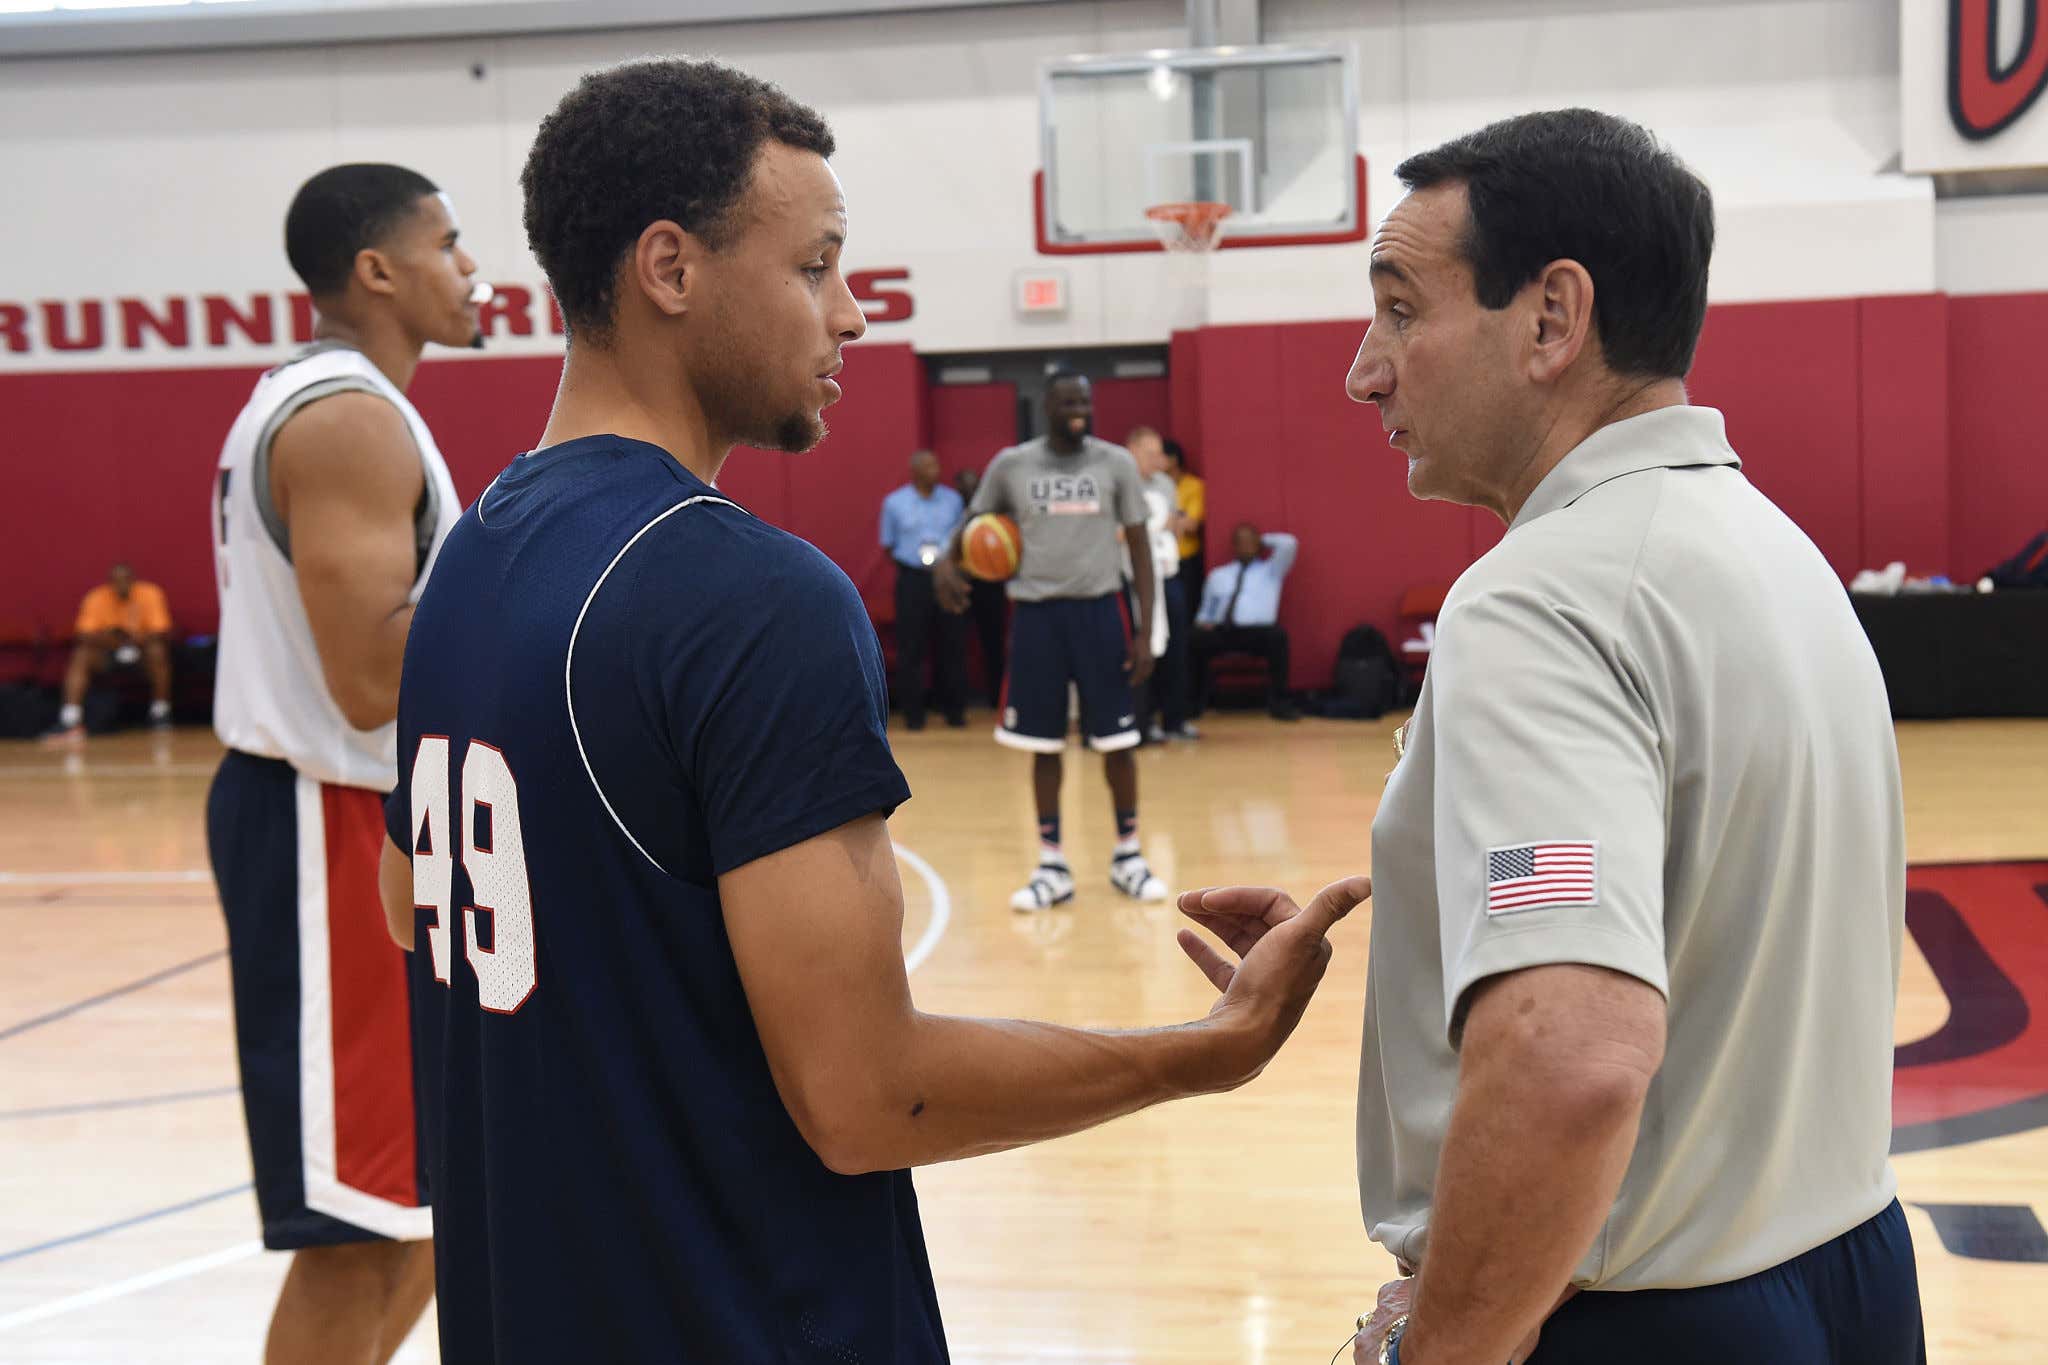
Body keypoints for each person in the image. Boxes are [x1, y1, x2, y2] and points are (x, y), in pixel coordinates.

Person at [375, 57, 1364, 1365]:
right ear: (669, 269)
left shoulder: (467, 553)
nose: (849, 313)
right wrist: (1204, 1048)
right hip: (739, 1319)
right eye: (816, 266)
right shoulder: (744, 592)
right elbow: (865, 1093)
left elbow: (410, 904)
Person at [1340, 109, 1922, 1364]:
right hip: (1853, 1272)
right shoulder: (1775, 552)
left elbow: (1571, 1054)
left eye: (1398, 310)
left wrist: (1445, 1342)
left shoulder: (1540, 594)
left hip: (1657, 1315)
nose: (1364, 369)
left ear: (1552, 318)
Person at [207, 162, 478, 1365]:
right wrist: (534, 589)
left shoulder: (362, 405)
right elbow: (369, 676)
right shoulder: (345, 417)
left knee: (429, 1207)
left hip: (383, 827)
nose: (470, 268)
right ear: (376, 270)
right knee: (359, 1231)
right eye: (448, 243)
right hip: (332, 829)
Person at [936, 373, 1165, 911]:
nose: (1079, 409)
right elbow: (974, 521)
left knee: (1118, 743)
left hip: (1100, 613)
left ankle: (1128, 855)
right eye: (1068, 401)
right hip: (1037, 617)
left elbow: (1139, 549)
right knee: (1042, 744)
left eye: (1085, 399)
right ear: (1046, 407)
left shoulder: (1115, 464)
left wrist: (1145, 629)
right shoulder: (1013, 465)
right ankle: (1051, 864)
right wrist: (948, 561)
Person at [879, 449, 968, 729]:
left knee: (952, 645)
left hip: (947, 577)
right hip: (912, 580)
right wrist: (914, 567)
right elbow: (889, 545)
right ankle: (913, 715)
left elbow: (962, 539)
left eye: (936, 465)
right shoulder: (895, 503)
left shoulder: (953, 501)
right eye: (928, 466)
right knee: (911, 647)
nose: (934, 471)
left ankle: (955, 712)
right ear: (914, 470)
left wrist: (948, 568)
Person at [44, 562, 174, 742]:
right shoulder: (96, 598)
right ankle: (70, 719)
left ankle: (160, 713)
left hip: (141, 653)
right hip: (107, 653)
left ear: (133, 580)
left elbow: (160, 632)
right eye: (117, 582)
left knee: (158, 651)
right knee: (81, 656)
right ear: (109, 583)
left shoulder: (150, 594)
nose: (122, 585)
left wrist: (133, 639)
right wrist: (113, 640)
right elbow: (84, 634)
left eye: (126, 580)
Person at [1124, 427, 1193, 743]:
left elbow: (1177, 522)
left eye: (1160, 454)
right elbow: (1118, 531)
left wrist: (1174, 523)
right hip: (1133, 579)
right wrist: (1153, 526)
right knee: (1143, 647)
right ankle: (1143, 719)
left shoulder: (1165, 484)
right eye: (1150, 454)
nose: (1159, 460)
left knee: (1176, 648)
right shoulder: (1122, 483)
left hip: (1167, 574)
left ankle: (1175, 720)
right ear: (1132, 450)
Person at [1191, 523, 1300, 721]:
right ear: (1234, 545)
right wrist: (1203, 623)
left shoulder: (1271, 571)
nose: (1246, 546)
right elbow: (1206, 610)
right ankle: (1193, 704)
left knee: (1278, 636)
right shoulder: (1218, 575)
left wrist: (1262, 539)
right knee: (1194, 638)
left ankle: (1280, 704)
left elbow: (1289, 544)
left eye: (1250, 541)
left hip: (1258, 633)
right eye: (1241, 542)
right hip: (1223, 631)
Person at [953, 465, 1009, 704]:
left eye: (974, 484)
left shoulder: (993, 515)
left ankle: (997, 696)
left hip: (989, 584)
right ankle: (958, 700)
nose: (970, 488)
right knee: (954, 643)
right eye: (965, 485)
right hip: (960, 581)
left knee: (994, 642)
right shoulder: (952, 510)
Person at [1164, 437, 1205, 603]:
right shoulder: (1153, 486)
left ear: (1173, 459)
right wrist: (1177, 518)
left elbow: (1191, 524)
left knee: (1185, 608)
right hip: (1160, 560)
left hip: (1186, 559)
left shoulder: (1193, 485)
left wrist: (1164, 520)